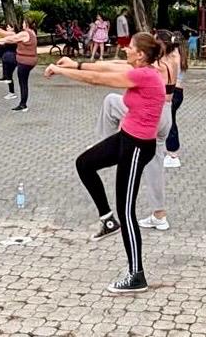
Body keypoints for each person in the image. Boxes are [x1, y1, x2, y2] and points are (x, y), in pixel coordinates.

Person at [45, 32, 167, 294]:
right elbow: (103, 66)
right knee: (84, 163)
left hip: (137, 148)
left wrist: (59, 69)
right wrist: (73, 63)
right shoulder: (139, 68)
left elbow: (96, 79)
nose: (126, 50)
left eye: (130, 47)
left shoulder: (144, 75)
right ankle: (107, 220)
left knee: (127, 211)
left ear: (141, 54)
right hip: (125, 138)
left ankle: (137, 275)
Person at [88, 29, 177, 233]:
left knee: (111, 101)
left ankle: (105, 143)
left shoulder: (154, 68)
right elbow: (118, 65)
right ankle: (159, 214)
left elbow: (121, 71)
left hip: (152, 114)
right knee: (155, 164)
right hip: (167, 114)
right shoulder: (172, 62)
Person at [0, 18, 39, 111]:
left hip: (24, 61)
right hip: (30, 60)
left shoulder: (25, 33)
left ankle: (22, 104)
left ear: (26, 24)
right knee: (7, 57)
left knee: (22, 82)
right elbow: (12, 38)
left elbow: (12, 38)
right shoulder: (33, 32)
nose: (22, 24)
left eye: (23, 22)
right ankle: (7, 77)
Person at [164, 30, 187, 168]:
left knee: (170, 121)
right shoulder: (181, 54)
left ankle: (173, 153)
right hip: (179, 91)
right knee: (168, 119)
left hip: (173, 92)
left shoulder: (173, 55)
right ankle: (167, 149)